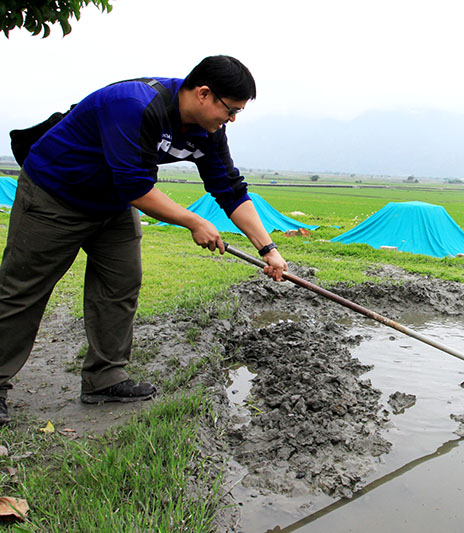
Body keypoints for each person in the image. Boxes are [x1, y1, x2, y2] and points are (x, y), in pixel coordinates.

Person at [0, 55, 288, 424]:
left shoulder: (209, 132)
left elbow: (230, 189)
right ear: (204, 94)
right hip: (55, 194)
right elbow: (136, 185)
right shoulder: (134, 105)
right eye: (231, 110)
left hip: (113, 203)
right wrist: (192, 221)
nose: (231, 120)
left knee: (120, 283)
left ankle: (104, 378)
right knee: (22, 289)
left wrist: (269, 250)